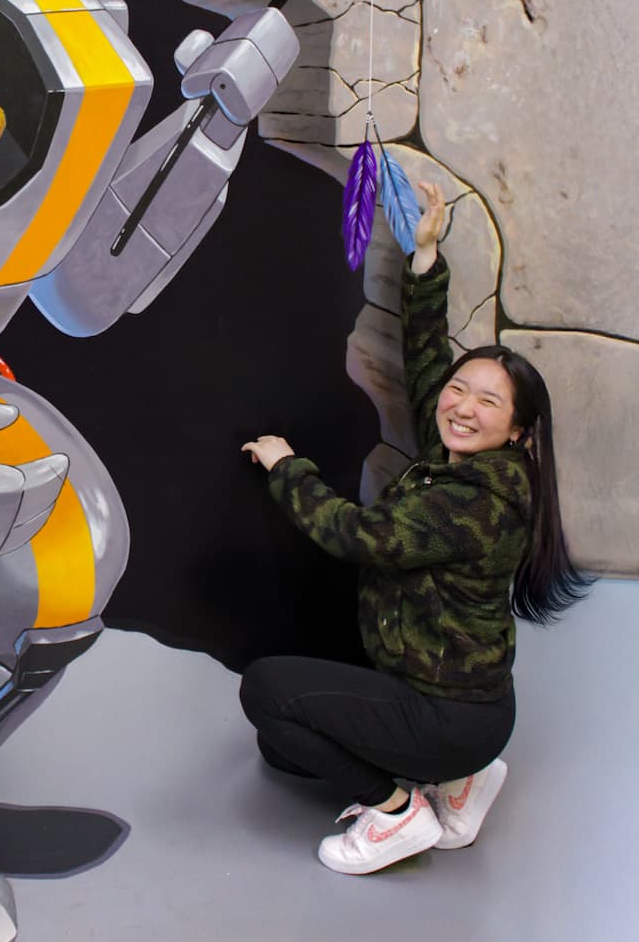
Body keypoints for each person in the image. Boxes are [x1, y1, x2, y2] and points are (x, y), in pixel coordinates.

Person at [239, 180, 589, 874]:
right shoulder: (481, 459)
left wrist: (285, 466)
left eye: (487, 402)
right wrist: (425, 256)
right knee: (283, 749)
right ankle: (463, 782)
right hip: (457, 702)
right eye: (461, 390)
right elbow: (429, 363)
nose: (461, 407)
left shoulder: (474, 502)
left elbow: (356, 535)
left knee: (266, 691)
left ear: (518, 430)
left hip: (444, 716)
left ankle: (397, 812)